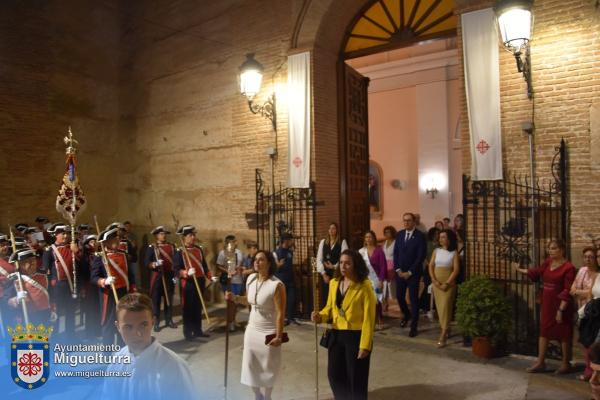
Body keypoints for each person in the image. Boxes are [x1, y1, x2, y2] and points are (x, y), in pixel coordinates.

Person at [103, 293, 198, 400]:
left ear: (152, 322)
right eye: (128, 327)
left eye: (143, 325)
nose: (137, 334)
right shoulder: (116, 363)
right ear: (118, 327)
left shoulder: (175, 367)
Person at [311, 249, 376, 400]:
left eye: (347, 263)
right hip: (336, 334)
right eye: (341, 263)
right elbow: (330, 308)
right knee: (334, 375)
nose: (343, 266)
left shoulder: (364, 285)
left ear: (355, 265)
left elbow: (369, 318)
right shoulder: (334, 283)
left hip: (356, 336)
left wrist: (365, 345)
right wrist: (320, 316)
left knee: (356, 379)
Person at [226, 250, 286, 400]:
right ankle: (257, 395)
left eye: (261, 260)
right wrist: (235, 298)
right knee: (250, 366)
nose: (256, 262)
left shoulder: (276, 285)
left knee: (269, 367)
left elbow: (280, 313)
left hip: (268, 331)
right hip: (252, 330)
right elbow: (249, 300)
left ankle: (267, 397)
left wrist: (279, 336)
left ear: (269, 263)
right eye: (255, 260)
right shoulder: (251, 279)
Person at [514, 239, 575, 374]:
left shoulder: (569, 267)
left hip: (560, 304)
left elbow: (568, 290)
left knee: (563, 333)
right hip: (547, 303)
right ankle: (540, 362)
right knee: (544, 331)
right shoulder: (548, 262)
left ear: (562, 250)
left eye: (553, 248)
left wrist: (561, 309)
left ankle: (565, 364)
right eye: (549, 248)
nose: (550, 251)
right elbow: (536, 272)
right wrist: (520, 269)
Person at [91, 227, 137, 345]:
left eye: (117, 239)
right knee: (109, 324)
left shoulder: (124, 255)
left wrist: (133, 287)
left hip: (124, 293)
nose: (117, 241)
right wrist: (104, 281)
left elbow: (130, 274)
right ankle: (107, 355)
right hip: (110, 294)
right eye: (113, 239)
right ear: (106, 242)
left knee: (124, 322)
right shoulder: (100, 256)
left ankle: (123, 350)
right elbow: (94, 277)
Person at [173, 225, 212, 340]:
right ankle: (188, 333)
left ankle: (197, 330)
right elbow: (175, 269)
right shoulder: (179, 252)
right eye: (190, 235)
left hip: (199, 281)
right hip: (188, 283)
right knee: (188, 308)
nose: (193, 237)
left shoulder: (198, 249)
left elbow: (204, 266)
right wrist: (185, 273)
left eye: (194, 235)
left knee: (197, 307)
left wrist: (210, 276)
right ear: (184, 237)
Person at [43, 223, 80, 339]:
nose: (66, 236)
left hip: (71, 285)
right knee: (56, 314)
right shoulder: (50, 250)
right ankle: (55, 340)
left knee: (71, 313)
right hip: (58, 287)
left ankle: (71, 338)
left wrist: (76, 252)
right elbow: (46, 271)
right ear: (56, 235)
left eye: (67, 233)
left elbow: (81, 266)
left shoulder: (71, 247)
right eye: (62, 233)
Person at [393, 213, 427, 337]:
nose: (406, 223)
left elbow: (420, 256)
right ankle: (406, 315)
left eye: (408, 220)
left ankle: (414, 326)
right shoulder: (400, 234)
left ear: (413, 222)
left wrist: (410, 272)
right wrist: (397, 270)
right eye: (404, 220)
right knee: (399, 297)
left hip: (413, 274)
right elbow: (396, 253)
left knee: (413, 300)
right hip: (400, 273)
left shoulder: (420, 236)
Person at [428, 229, 460, 348]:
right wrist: (434, 280)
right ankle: (446, 328)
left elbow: (456, 270)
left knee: (446, 306)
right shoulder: (436, 251)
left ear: (449, 239)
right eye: (440, 237)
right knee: (440, 308)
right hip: (436, 282)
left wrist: (447, 283)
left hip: (448, 283)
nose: (441, 239)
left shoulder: (454, 253)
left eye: (443, 237)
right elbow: (431, 265)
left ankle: (443, 333)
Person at [5, 248, 51, 326]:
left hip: (45, 312)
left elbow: (49, 294)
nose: (31, 264)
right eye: (27, 262)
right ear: (20, 265)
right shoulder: (15, 279)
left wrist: (52, 309)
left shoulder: (42, 275)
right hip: (29, 316)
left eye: (33, 260)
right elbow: (6, 301)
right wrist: (16, 299)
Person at [144, 226, 177, 332]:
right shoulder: (152, 247)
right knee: (156, 300)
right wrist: (155, 264)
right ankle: (156, 321)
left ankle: (169, 319)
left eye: (164, 234)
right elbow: (146, 263)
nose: (163, 236)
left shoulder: (171, 247)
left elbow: (176, 262)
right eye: (161, 234)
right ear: (156, 236)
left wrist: (176, 275)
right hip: (158, 276)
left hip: (169, 276)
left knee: (169, 299)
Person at [316, 222, 348, 308]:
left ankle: (336, 316)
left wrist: (334, 266)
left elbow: (344, 258)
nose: (331, 230)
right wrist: (323, 274)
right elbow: (319, 259)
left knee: (336, 294)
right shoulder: (323, 242)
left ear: (337, 230)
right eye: (330, 228)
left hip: (337, 273)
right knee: (326, 295)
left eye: (333, 228)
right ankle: (327, 317)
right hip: (326, 274)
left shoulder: (342, 242)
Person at [216, 235, 244, 331]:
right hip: (229, 281)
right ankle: (230, 322)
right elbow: (218, 265)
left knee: (236, 302)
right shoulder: (223, 253)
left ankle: (233, 320)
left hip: (238, 280)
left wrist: (240, 269)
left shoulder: (239, 252)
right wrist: (227, 271)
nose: (237, 243)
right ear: (230, 242)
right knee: (230, 302)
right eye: (235, 241)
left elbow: (241, 264)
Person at [359, 231, 386, 327]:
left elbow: (383, 267)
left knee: (377, 299)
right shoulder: (361, 251)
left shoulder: (379, 251)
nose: (368, 239)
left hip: (377, 279)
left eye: (370, 237)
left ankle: (379, 318)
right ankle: (368, 319)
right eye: (366, 237)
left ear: (374, 238)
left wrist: (381, 281)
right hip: (365, 279)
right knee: (367, 300)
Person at [80, 235, 100, 339]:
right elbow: (82, 273)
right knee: (89, 309)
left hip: (97, 285)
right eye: (92, 242)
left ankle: (98, 330)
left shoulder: (99, 255)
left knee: (97, 308)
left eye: (95, 242)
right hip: (88, 285)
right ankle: (90, 333)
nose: (95, 244)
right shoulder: (85, 257)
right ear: (87, 244)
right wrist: (82, 287)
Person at [275, 233, 298, 325]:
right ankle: (282, 318)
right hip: (281, 280)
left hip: (290, 279)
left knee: (291, 299)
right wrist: (279, 265)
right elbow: (273, 267)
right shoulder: (276, 252)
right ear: (286, 241)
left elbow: (293, 265)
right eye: (290, 240)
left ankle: (290, 318)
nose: (292, 242)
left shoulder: (290, 252)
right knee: (281, 301)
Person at [382, 226, 396, 313]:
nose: (387, 234)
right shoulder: (385, 242)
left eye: (389, 232)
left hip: (392, 265)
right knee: (384, 286)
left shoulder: (396, 242)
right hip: (384, 265)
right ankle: (384, 304)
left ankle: (396, 303)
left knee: (392, 286)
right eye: (386, 232)